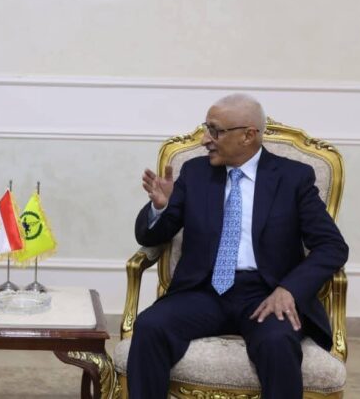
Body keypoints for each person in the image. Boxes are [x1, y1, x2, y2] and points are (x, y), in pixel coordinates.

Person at [127, 93, 348, 399]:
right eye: (206, 128)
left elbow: (332, 246)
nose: (205, 139)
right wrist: (161, 208)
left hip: (265, 294)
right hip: (203, 291)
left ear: (248, 135)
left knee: (277, 342)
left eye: (215, 131)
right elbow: (150, 236)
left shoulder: (292, 178)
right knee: (150, 326)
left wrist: (289, 289)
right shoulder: (195, 173)